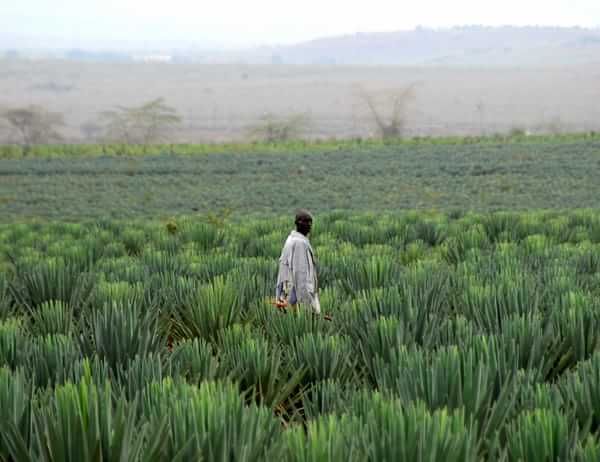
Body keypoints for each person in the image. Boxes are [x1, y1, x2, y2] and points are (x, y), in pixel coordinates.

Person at [276, 209, 322, 315]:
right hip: (296, 301)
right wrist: (308, 307)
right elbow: (300, 276)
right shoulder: (299, 244)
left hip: (287, 297)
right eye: (306, 222)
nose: (309, 225)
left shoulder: (291, 240)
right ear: (298, 224)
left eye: (310, 222)